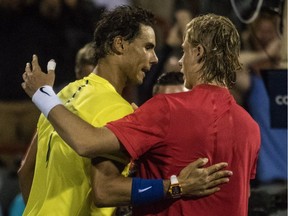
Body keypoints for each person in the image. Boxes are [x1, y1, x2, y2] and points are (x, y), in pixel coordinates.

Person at [22, 13, 260, 216]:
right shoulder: (251, 127)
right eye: (148, 47)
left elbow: (98, 183)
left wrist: (43, 95)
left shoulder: (64, 97)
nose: (178, 61)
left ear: (198, 53)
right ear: (119, 45)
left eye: (184, 51)